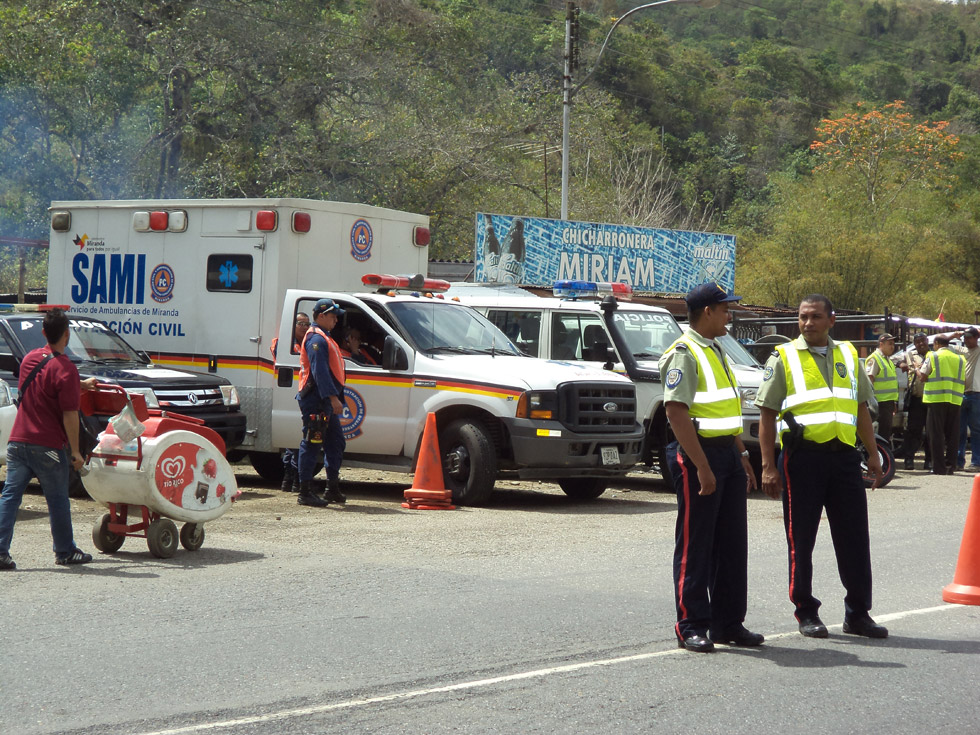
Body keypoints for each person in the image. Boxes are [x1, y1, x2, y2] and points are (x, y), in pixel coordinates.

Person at [756, 294, 887, 639]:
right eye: (802, 317)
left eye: (815, 317)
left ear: (832, 320)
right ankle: (805, 611)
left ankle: (858, 613)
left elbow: (860, 408)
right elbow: (766, 415)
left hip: (844, 458)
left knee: (855, 538)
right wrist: (768, 465)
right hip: (802, 459)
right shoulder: (783, 356)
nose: (807, 323)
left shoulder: (847, 354)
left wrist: (872, 454)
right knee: (802, 539)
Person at [659, 282, 761, 653]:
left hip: (727, 454)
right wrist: (702, 467)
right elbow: (676, 412)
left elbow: (725, 411)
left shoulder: (714, 349)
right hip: (698, 454)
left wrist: (743, 457)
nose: (729, 316)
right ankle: (691, 624)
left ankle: (728, 622)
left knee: (732, 544)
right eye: (725, 309)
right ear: (707, 312)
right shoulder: (685, 353)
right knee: (696, 544)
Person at [0, 308, 95, 570]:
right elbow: (69, 415)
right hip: (47, 446)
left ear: (43, 333)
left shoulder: (30, 359)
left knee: (10, 496)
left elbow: (43, 385)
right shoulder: (65, 369)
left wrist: (80, 384)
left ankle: (0, 550)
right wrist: (75, 451)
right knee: (57, 499)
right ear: (67, 334)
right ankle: (65, 551)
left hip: (18, 441)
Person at [296, 299, 347, 507]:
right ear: (321, 316)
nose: (336, 319)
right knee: (312, 442)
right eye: (333, 315)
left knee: (336, 442)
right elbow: (320, 372)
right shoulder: (316, 339)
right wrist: (332, 397)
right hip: (316, 399)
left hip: (323, 400)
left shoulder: (324, 337)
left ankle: (331, 488)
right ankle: (304, 492)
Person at [271, 312, 310, 493]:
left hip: (301, 391)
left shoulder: (308, 342)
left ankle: (290, 480)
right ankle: (291, 479)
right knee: (294, 442)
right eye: (300, 323)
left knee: (296, 441)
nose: (304, 327)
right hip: (288, 392)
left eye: (307, 324)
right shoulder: (285, 343)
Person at [918, 334, 966, 475]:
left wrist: (916, 368)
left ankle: (939, 467)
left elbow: (922, 376)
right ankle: (951, 466)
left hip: (936, 399)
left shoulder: (933, 356)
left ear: (937, 343)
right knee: (953, 434)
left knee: (936, 434)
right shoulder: (960, 358)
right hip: (955, 399)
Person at [935, 327, 980, 470]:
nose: (966, 340)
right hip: (961, 394)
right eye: (965, 338)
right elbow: (942, 343)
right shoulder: (961, 350)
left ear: (976, 338)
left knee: (976, 430)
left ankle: (976, 462)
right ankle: (958, 461)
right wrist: (953, 335)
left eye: (969, 337)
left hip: (976, 394)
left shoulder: (978, 350)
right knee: (958, 430)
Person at [899, 334, 931, 470]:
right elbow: (894, 359)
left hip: (931, 399)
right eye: (917, 342)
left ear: (927, 341)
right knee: (913, 431)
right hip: (916, 398)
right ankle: (909, 459)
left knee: (931, 432)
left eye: (922, 341)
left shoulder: (933, 355)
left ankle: (929, 460)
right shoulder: (910, 355)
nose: (920, 344)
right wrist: (901, 364)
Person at [865, 333, 900, 446]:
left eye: (893, 344)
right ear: (881, 344)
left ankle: (884, 456)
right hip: (879, 403)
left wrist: (893, 401)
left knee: (885, 432)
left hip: (887, 403)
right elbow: (869, 381)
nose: (892, 347)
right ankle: (881, 457)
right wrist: (871, 402)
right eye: (890, 344)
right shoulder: (875, 359)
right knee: (881, 433)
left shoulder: (887, 360)